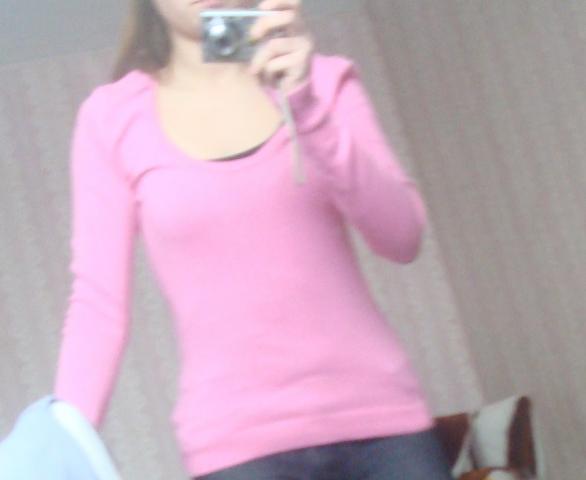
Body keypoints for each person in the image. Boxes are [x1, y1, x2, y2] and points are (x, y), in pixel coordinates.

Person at [52, 0, 455, 478]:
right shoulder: (110, 117)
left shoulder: (325, 80)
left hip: (382, 426)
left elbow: (402, 237)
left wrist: (306, 106)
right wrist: (60, 454)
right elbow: (98, 305)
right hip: (236, 447)